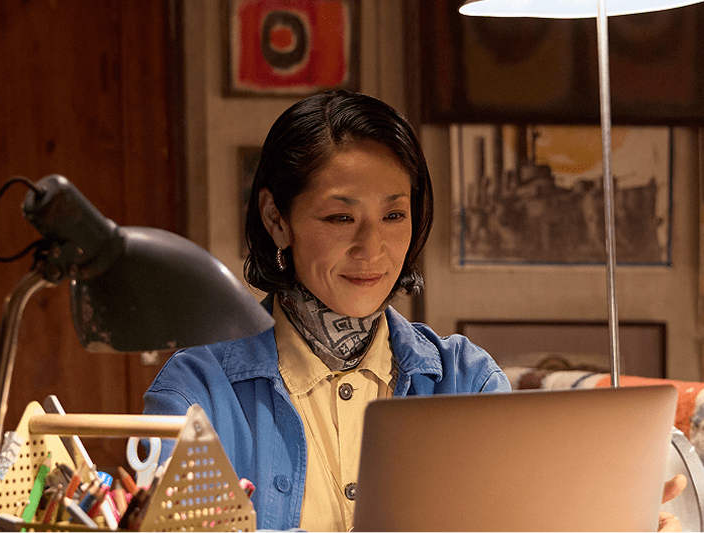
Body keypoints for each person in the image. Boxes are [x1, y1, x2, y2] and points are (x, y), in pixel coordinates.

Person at [143, 90, 684, 533]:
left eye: (394, 215)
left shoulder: (466, 380)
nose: (372, 248)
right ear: (276, 219)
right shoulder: (197, 392)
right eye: (340, 218)